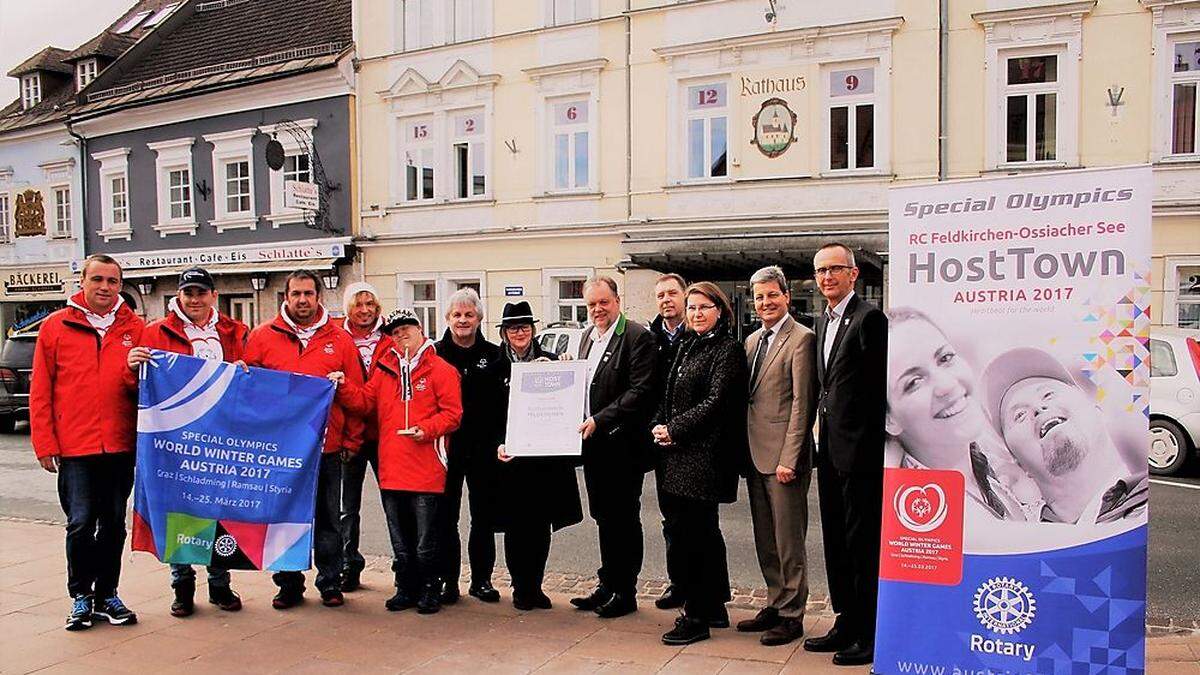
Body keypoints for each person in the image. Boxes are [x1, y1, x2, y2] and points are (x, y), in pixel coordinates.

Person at [126, 267, 249, 616]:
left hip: (223, 438)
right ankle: (182, 587)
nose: (194, 299)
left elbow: (252, 376)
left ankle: (220, 585)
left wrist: (244, 370)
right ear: (178, 296)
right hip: (175, 439)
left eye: (200, 292)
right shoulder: (155, 332)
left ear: (213, 295)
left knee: (218, 510)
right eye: (188, 293)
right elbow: (136, 388)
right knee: (179, 512)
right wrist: (132, 366)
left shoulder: (235, 332)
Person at [30, 254, 144, 631]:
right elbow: (41, 388)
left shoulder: (135, 327)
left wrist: (132, 372)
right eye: (97, 279)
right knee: (80, 524)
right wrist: (45, 442)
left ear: (120, 285)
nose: (105, 288)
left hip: (119, 444)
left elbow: (143, 388)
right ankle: (80, 596)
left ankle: (107, 594)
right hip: (76, 445)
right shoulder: (56, 326)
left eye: (112, 281)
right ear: (82, 281)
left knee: (113, 523)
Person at [243, 269, 364, 609]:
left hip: (326, 447)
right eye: (295, 294)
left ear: (318, 297)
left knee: (329, 520)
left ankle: (330, 582)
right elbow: (249, 394)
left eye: (308, 294)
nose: (302, 300)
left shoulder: (340, 340)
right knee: (283, 519)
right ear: (286, 297)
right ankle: (289, 584)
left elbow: (359, 398)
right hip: (279, 451)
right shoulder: (263, 337)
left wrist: (351, 442)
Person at [333, 308, 462, 614]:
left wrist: (427, 429)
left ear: (420, 330)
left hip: (427, 466)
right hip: (391, 467)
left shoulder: (441, 369)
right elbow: (365, 402)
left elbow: (453, 414)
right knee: (401, 539)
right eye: (395, 331)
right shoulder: (383, 369)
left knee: (425, 540)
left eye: (407, 328)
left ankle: (431, 587)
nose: (401, 334)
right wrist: (343, 385)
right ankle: (406, 587)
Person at [804, 242, 886, 666]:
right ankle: (844, 619)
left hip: (860, 454)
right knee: (835, 539)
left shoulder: (870, 319)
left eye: (835, 269)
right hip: (830, 451)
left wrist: (863, 445)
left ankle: (868, 631)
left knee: (861, 543)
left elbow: (876, 391)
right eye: (820, 271)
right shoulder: (824, 320)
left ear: (853, 275)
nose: (827, 277)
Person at [651, 282, 745, 645]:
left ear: (720, 310)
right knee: (692, 532)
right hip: (676, 455)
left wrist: (674, 429)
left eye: (704, 307)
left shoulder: (727, 349)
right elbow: (668, 394)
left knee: (696, 537)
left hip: (704, 458)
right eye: (691, 308)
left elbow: (717, 403)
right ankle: (714, 606)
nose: (696, 314)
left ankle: (696, 615)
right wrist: (659, 425)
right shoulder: (688, 345)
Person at [884, 307, 1032, 522]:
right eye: (914, 382)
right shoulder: (918, 510)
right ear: (889, 419)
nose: (947, 385)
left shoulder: (1001, 471)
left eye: (945, 358)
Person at [570, 276, 658, 619]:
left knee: (623, 518)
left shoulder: (637, 336)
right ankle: (607, 583)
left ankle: (626, 591)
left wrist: (601, 419)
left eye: (603, 302)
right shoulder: (587, 337)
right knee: (603, 517)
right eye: (591, 304)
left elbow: (641, 391)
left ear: (617, 300)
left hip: (623, 446)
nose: (597, 310)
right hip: (594, 448)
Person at [487, 301, 583, 609]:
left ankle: (536, 586)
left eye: (525, 327)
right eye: (513, 328)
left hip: (545, 460)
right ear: (504, 333)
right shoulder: (493, 365)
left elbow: (570, 402)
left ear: (533, 330)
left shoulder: (552, 361)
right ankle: (520, 587)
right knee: (516, 526)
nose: (520, 333)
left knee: (541, 526)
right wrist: (497, 443)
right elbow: (482, 414)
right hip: (511, 459)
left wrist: (566, 368)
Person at [739, 266, 817, 646]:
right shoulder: (752, 341)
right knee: (765, 539)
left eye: (772, 295)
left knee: (788, 541)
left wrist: (791, 457)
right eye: (759, 297)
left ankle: (792, 614)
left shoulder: (801, 339)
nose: (766, 303)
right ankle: (774, 600)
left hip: (785, 459)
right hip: (755, 453)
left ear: (787, 296)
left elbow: (803, 405)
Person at [982, 347, 1147, 524]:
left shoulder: (1144, 508)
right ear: (1018, 463)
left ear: (1096, 408)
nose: (1038, 408)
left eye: (1048, 394)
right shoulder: (1017, 540)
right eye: (1020, 415)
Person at [434, 288, 503, 604]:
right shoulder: (433, 355)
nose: (463, 320)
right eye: (457, 315)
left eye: (469, 315)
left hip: (484, 449)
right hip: (446, 450)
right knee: (445, 517)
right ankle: (448, 579)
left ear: (479, 319)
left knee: (483, 517)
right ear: (447, 318)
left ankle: (482, 580)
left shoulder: (495, 354)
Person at [338, 282, 390, 592]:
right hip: (350, 432)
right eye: (358, 304)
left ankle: (404, 564)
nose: (365, 310)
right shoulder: (336, 338)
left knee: (394, 501)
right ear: (348, 308)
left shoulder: (390, 337)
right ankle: (349, 564)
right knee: (348, 507)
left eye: (370, 303)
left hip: (385, 433)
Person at [647, 273, 689, 611]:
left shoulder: (698, 333)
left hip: (693, 442)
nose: (666, 300)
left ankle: (707, 592)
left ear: (684, 296)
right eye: (660, 294)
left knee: (700, 524)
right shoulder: (651, 338)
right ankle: (678, 584)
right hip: (662, 443)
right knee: (671, 520)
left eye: (672, 293)